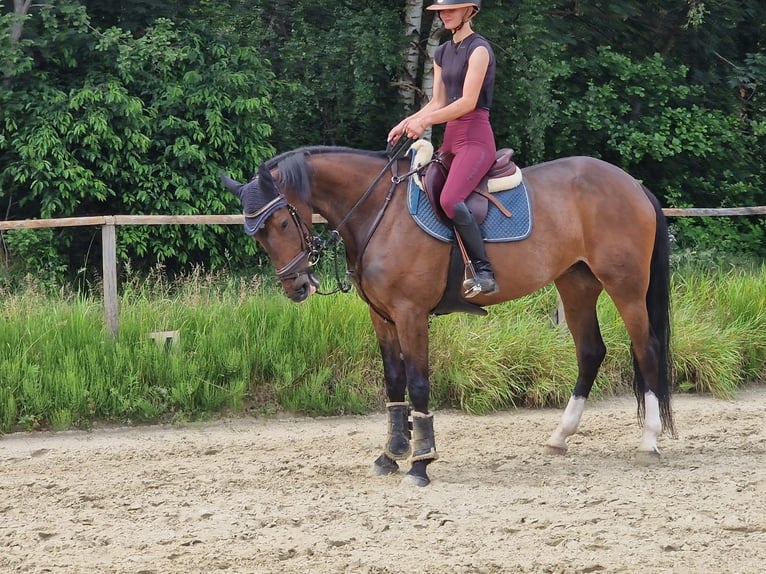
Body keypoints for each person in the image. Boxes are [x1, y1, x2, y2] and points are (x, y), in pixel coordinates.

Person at [387, 0, 498, 297]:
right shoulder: (442, 52)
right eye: (440, 11)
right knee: (424, 188)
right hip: (451, 139)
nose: (444, 14)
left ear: (469, 11)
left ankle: (484, 271)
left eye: (450, 9)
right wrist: (407, 122)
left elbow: (466, 102)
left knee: (450, 199)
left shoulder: (479, 49)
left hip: (476, 139)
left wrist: (424, 123)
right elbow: (437, 101)